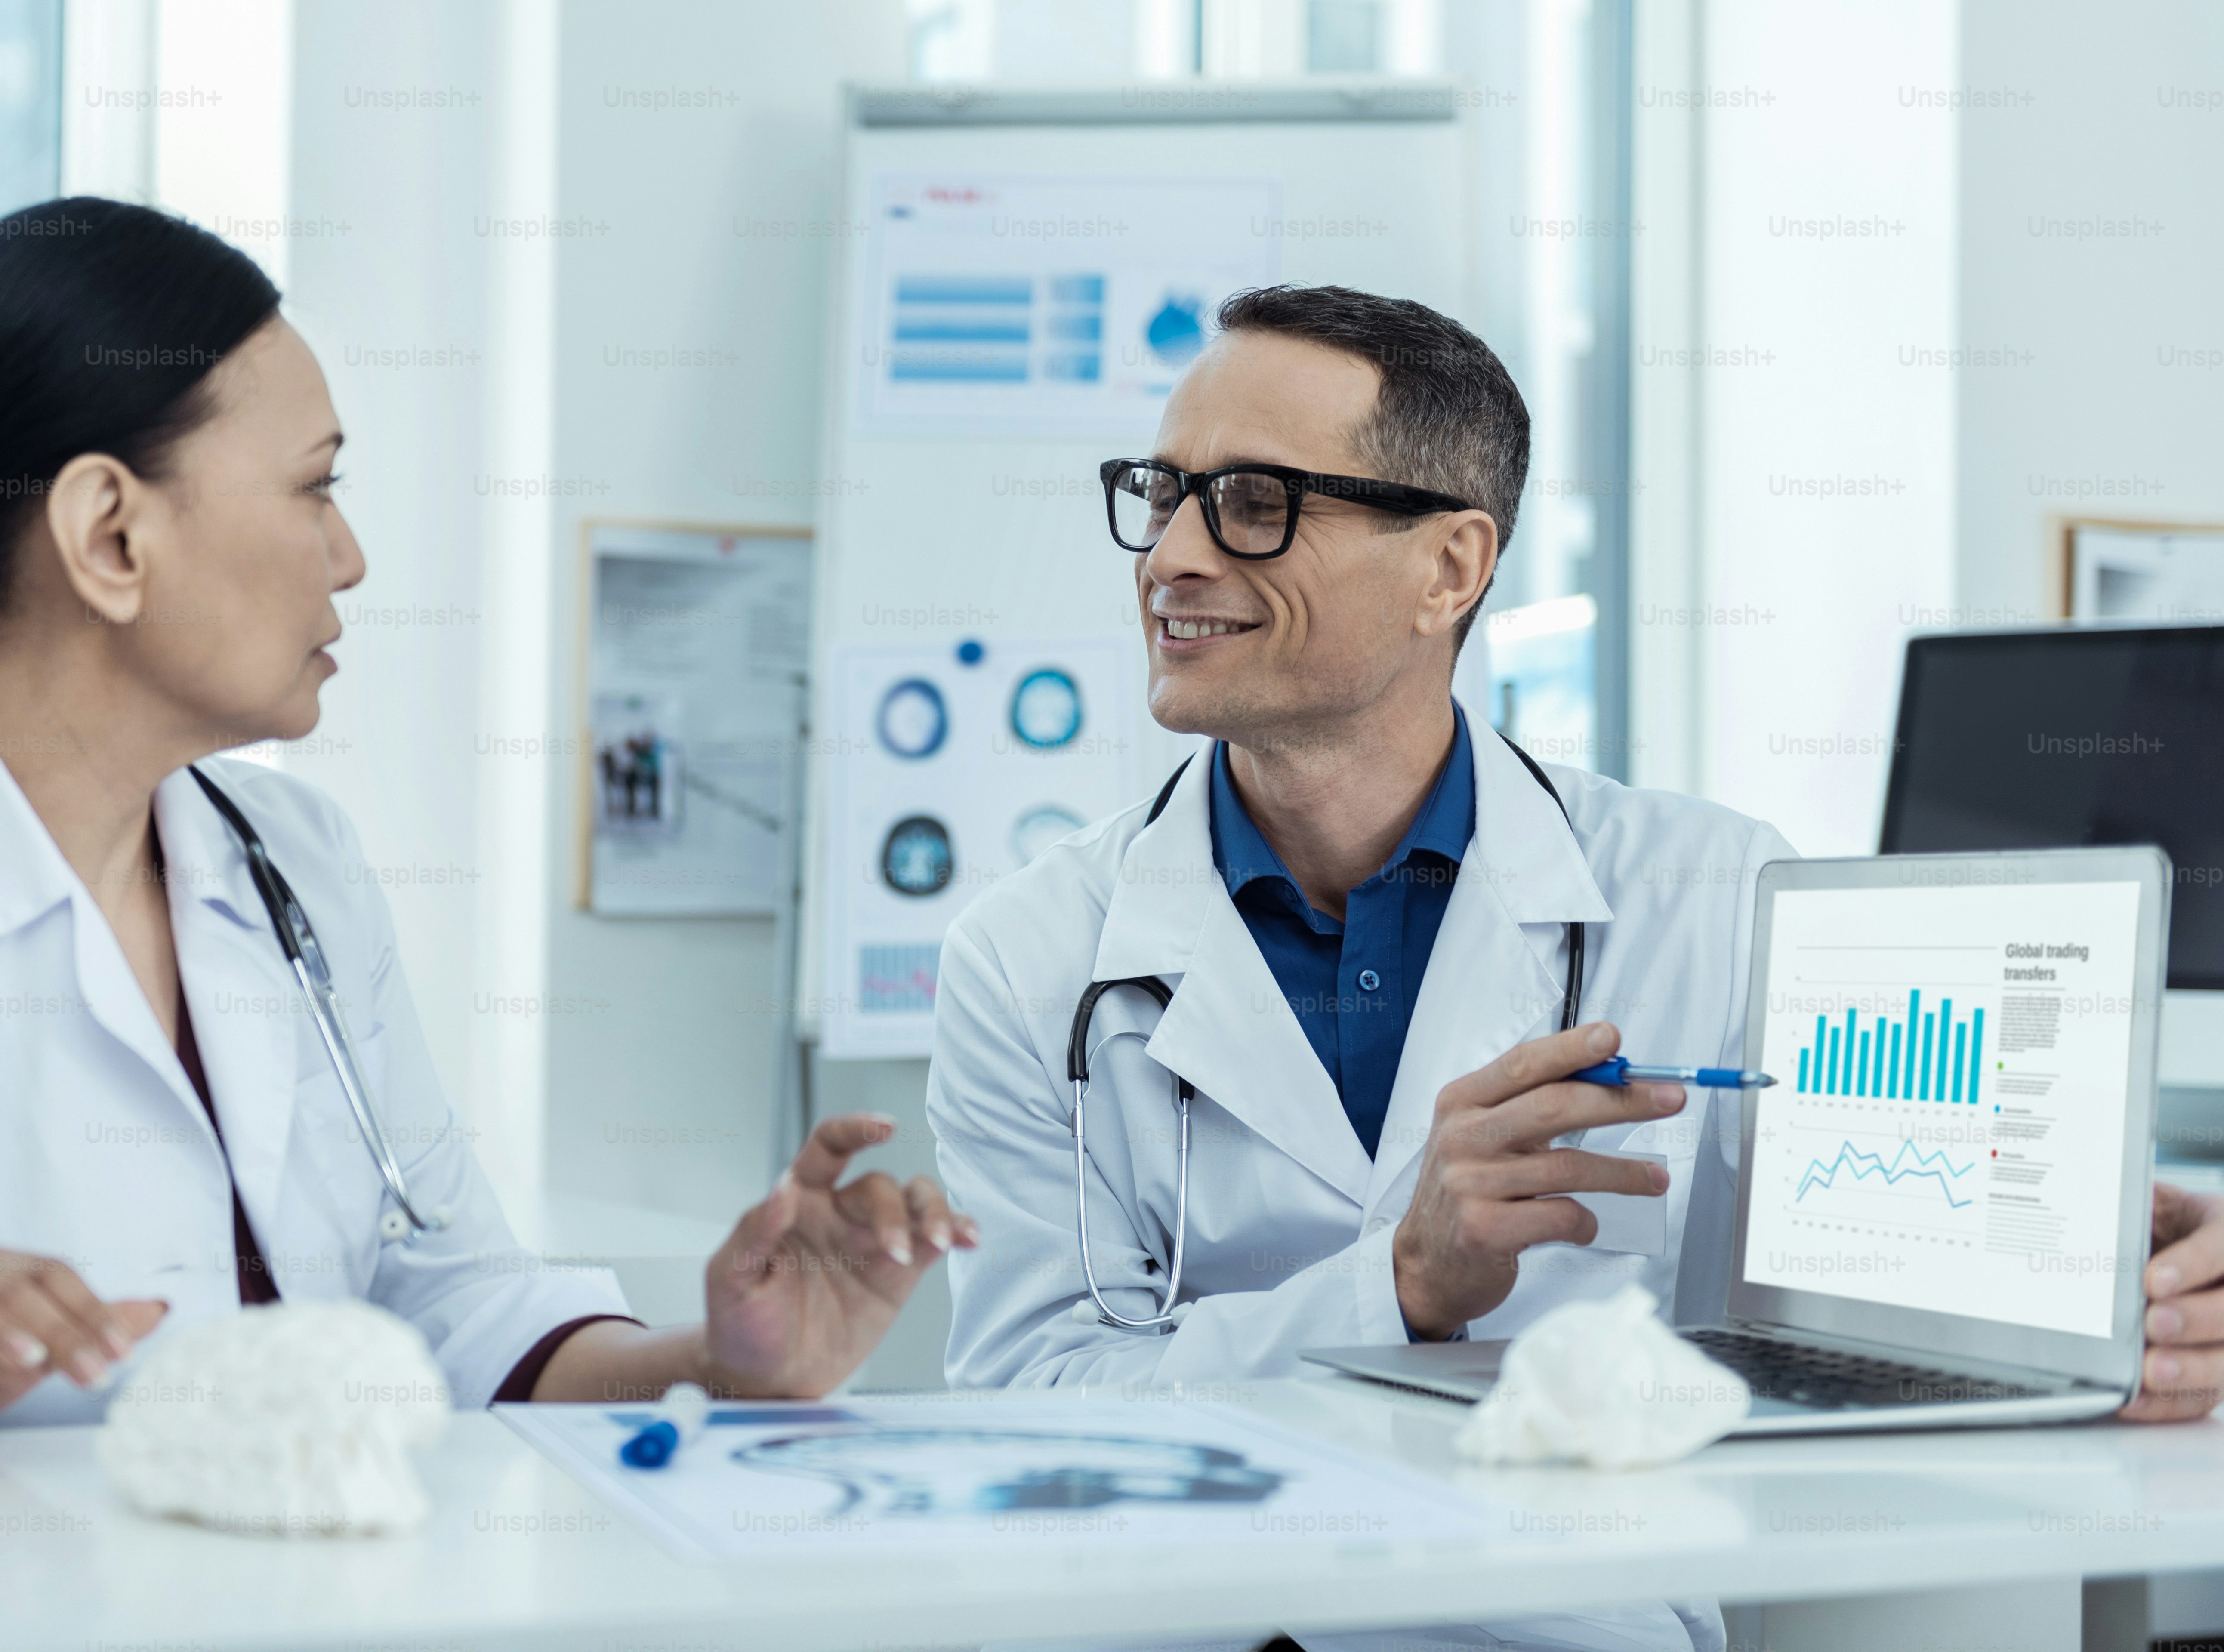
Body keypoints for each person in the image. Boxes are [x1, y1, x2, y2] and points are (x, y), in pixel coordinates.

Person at [0, 199, 973, 1642]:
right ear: (110, 534)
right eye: (314, 488)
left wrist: (723, 1362)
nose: (349, 558)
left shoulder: (294, 862)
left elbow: (449, 1304)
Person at [928, 286, 2224, 1652]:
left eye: (1253, 502)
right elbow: (1029, 1413)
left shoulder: (1714, 895)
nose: (1173, 556)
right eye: (1162, 494)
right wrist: (1399, 1285)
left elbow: (1882, 1298)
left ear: (1451, 567)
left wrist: (2107, 1305)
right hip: (1199, 1623)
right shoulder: (1030, 959)